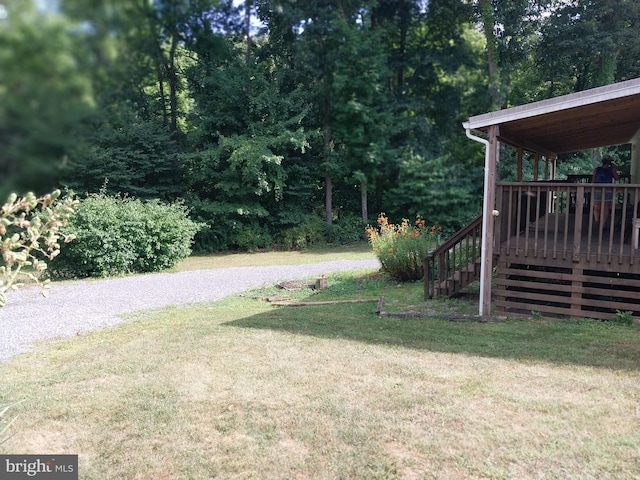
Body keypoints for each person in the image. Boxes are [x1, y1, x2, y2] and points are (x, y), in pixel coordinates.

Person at [591, 155, 620, 225]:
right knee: (603, 206)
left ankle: (598, 221)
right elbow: (617, 178)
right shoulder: (600, 169)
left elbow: (593, 180)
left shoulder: (597, 169)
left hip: (601, 189)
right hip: (605, 189)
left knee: (598, 206)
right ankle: (601, 223)